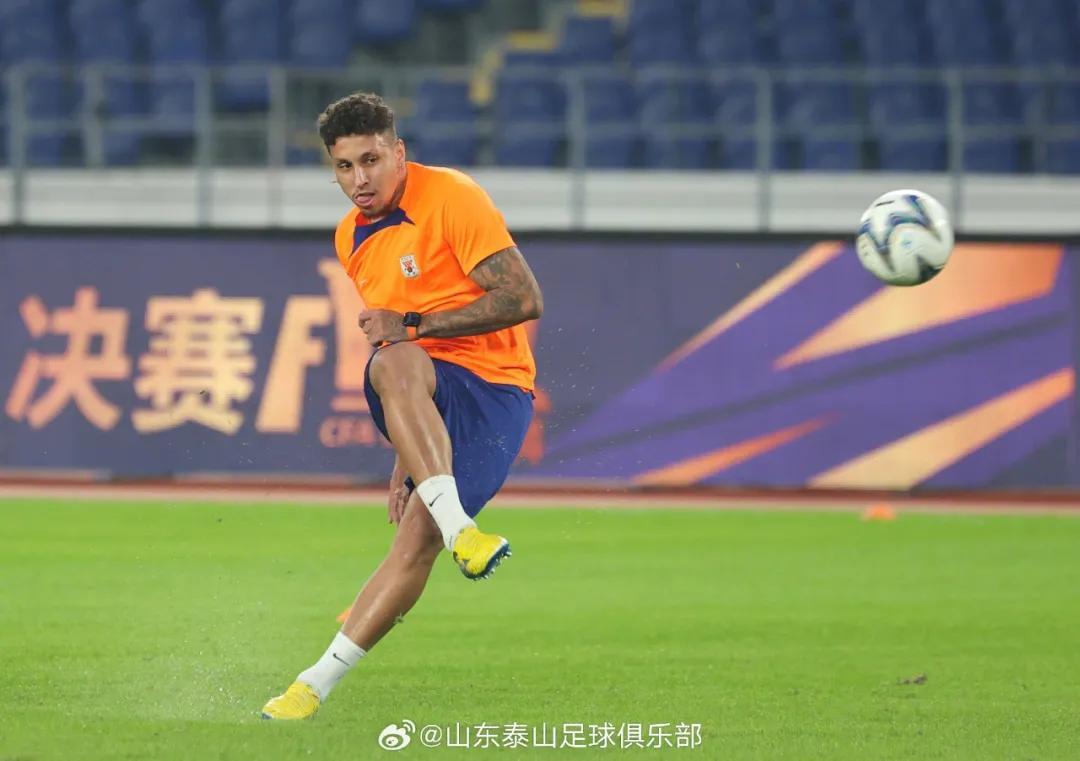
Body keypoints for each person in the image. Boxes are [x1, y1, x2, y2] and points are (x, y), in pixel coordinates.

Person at [260, 93, 543, 720]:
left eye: (371, 160)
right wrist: (406, 452)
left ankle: (452, 530)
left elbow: (524, 299)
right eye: (343, 166)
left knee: (417, 540)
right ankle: (310, 688)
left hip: (498, 389)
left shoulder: (452, 196)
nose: (359, 180)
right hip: (422, 380)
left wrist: (414, 323)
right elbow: (400, 360)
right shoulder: (350, 238)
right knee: (390, 364)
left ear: (399, 153)